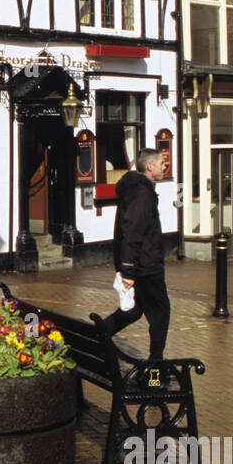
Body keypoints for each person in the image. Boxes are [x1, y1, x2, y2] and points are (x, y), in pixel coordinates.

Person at [101, 148, 171, 362]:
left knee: (133, 311)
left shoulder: (137, 189)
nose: (164, 167)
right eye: (161, 163)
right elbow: (132, 231)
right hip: (146, 267)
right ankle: (155, 369)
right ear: (149, 166)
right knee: (161, 313)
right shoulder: (142, 193)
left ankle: (96, 337)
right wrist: (128, 270)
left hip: (139, 264)